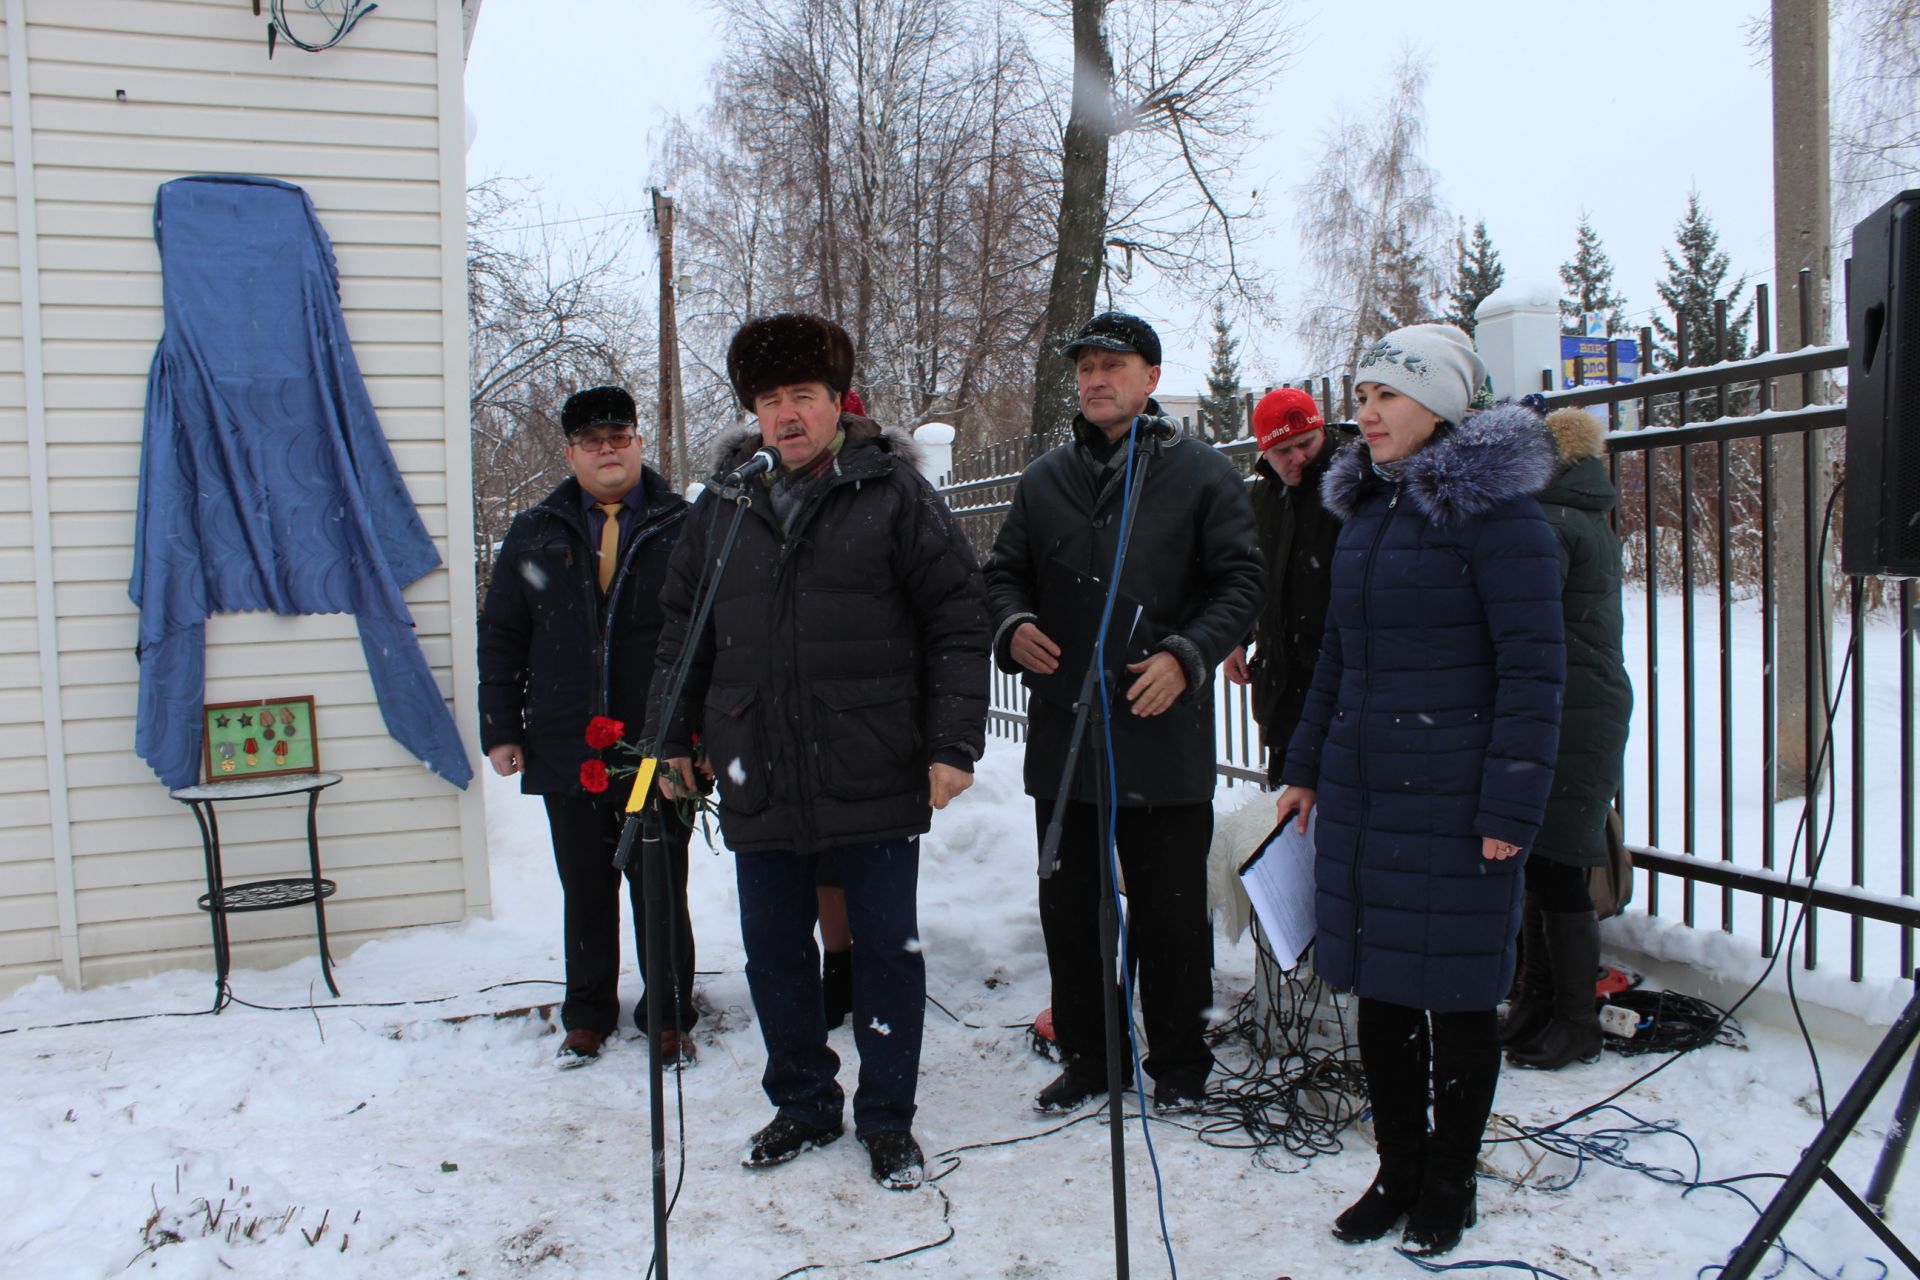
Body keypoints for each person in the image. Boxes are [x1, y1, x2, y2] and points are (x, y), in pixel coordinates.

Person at [646, 312, 989, 1191]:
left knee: (884, 950)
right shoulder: (721, 505)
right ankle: (802, 1101)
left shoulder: (893, 494)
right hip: (756, 758)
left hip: (870, 757)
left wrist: (951, 742)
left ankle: (887, 1118)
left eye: (804, 395)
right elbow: (684, 629)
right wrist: (673, 737)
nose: (787, 414)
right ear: (753, 412)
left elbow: (957, 616)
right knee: (775, 951)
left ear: (839, 403)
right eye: (770, 399)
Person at [1273, 324, 1565, 1257]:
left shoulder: (1502, 519)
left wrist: (1510, 810)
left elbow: (1534, 673)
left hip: (1455, 803)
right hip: (1366, 799)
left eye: (1386, 396)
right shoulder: (1367, 513)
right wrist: (1305, 770)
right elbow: (1337, 662)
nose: (1364, 413)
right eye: (1362, 396)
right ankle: (1395, 1171)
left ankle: (1451, 1181)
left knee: (1460, 1000)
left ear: (1439, 405)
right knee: (1385, 995)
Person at [983, 311, 1263, 1116]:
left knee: (1172, 912)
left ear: (1149, 377)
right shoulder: (1043, 481)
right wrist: (1013, 626)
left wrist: (1188, 653)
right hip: (1067, 733)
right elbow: (1002, 575)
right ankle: (1090, 1055)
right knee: (1072, 912)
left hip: (1160, 728)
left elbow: (1241, 583)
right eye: (1086, 369)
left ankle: (1179, 1062)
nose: (1096, 381)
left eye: (1114, 365)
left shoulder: (1204, 475)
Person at [477, 385, 698, 1069]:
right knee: (586, 885)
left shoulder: (682, 526)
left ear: (638, 442)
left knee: (658, 881)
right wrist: (501, 727)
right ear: (571, 452)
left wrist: (699, 737)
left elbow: (711, 635)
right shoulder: (534, 531)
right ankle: (587, 1013)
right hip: (569, 740)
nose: (608, 450)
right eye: (592, 441)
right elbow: (503, 634)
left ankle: (668, 1013)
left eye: (620, 437)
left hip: (654, 746)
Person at [1502, 405, 1632, 1071]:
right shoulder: (1572, 513)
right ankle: (1537, 1002)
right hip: (1574, 705)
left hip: (1574, 712)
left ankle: (1575, 1019)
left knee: (1557, 867)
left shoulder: (1550, 521)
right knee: (1541, 860)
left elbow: (1521, 614)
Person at [1223, 387, 1354, 787]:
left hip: (1342, 688)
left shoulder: (1354, 485)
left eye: (1307, 443)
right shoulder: (1264, 496)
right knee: (1287, 815)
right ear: (1264, 452)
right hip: (1282, 689)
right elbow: (1251, 574)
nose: (1298, 458)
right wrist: (1237, 637)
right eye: (1283, 450)